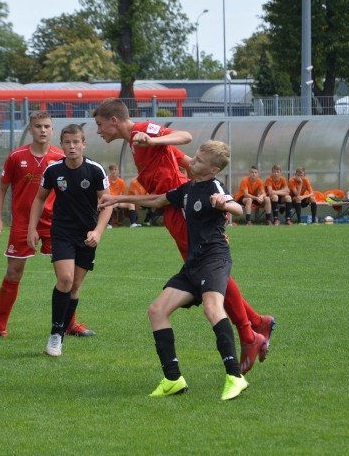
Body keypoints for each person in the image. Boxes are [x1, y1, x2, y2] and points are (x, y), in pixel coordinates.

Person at [93, 98, 274, 376]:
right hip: (175, 207)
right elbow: (185, 160)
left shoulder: (143, 131)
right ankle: (256, 323)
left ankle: (250, 334)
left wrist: (153, 142)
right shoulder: (135, 142)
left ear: (114, 120)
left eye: (99, 125)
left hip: (181, 209)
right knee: (205, 274)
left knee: (207, 272)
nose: (98, 131)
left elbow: (184, 137)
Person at [99, 140, 249, 400]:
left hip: (214, 259)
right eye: (195, 156)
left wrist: (224, 204)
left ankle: (235, 376)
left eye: (200, 161)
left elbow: (237, 207)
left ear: (213, 169)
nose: (193, 161)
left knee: (213, 309)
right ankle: (172, 379)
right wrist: (118, 198)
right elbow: (157, 200)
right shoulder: (188, 188)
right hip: (193, 263)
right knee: (157, 310)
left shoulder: (215, 187)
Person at [0, 111, 94, 338]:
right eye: (38, 126)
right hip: (24, 223)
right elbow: (1, 188)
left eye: (46, 126)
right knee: (13, 272)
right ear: (30, 130)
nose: (42, 130)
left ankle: (70, 324)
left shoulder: (62, 157)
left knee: (68, 277)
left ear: (52, 131)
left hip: (56, 224)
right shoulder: (16, 157)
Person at [28, 124, 114, 357]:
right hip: (62, 231)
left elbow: (108, 203)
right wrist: (31, 228)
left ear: (83, 144)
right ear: (62, 145)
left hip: (87, 234)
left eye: (76, 142)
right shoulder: (53, 170)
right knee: (64, 279)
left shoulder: (95, 170)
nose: (72, 146)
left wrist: (97, 232)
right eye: (67, 142)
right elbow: (39, 200)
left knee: (75, 286)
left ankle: (63, 329)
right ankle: (56, 335)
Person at [106, 163, 140, 228]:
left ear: (118, 171)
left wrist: (119, 200)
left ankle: (133, 223)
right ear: (110, 171)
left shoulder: (121, 181)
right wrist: (114, 201)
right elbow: (106, 194)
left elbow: (123, 194)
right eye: (112, 170)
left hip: (119, 200)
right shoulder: (106, 180)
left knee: (131, 204)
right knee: (109, 205)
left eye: (115, 169)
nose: (114, 171)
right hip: (110, 201)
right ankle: (108, 224)